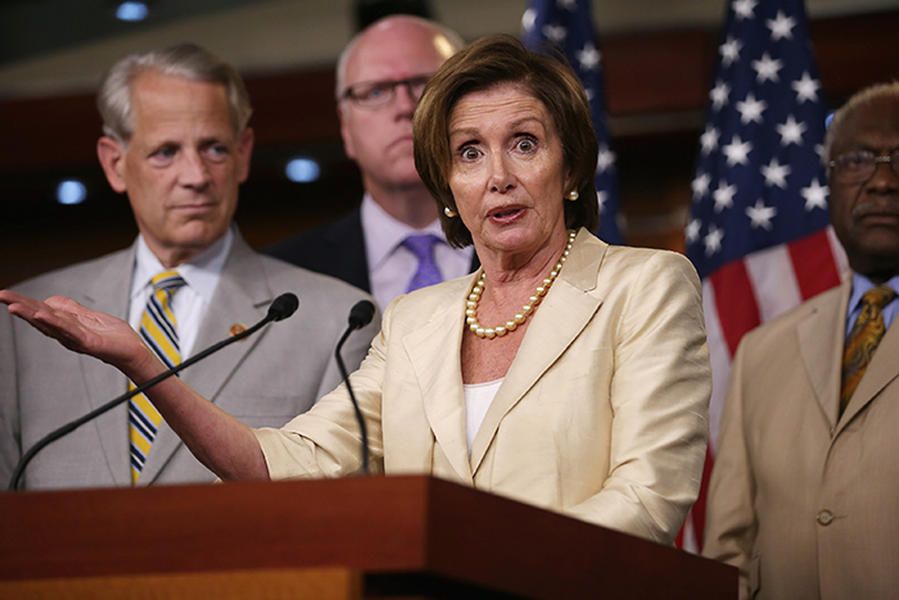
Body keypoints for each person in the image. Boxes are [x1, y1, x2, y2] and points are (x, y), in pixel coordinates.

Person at [1, 35, 709, 544]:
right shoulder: (415, 321)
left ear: (571, 168)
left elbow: (647, 499)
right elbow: (284, 461)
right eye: (468, 152)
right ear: (447, 189)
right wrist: (144, 365)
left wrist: (485, 567)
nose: (497, 174)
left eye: (524, 142)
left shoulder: (642, 287)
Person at [0, 43, 376, 490]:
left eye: (214, 148)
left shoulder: (337, 320)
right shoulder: (26, 325)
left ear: (244, 154)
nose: (196, 175)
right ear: (115, 163)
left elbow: (344, 512)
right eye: (165, 152)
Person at [703, 82, 899, 598]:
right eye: (858, 160)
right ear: (829, 187)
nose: (882, 180)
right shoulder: (761, 353)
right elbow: (729, 552)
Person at [267, 15, 477, 309]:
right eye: (375, 91)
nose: (406, 107)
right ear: (345, 127)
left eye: (426, 83)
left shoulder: (543, 247)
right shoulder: (283, 276)